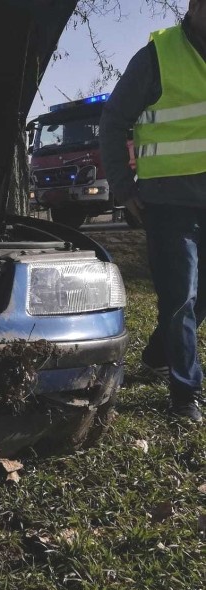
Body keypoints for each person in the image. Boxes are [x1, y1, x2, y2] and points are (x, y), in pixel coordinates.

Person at [99, 0, 206, 423]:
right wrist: (123, 189)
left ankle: (159, 354)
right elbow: (113, 121)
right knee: (179, 298)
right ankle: (185, 396)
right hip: (169, 203)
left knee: (199, 299)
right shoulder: (157, 56)